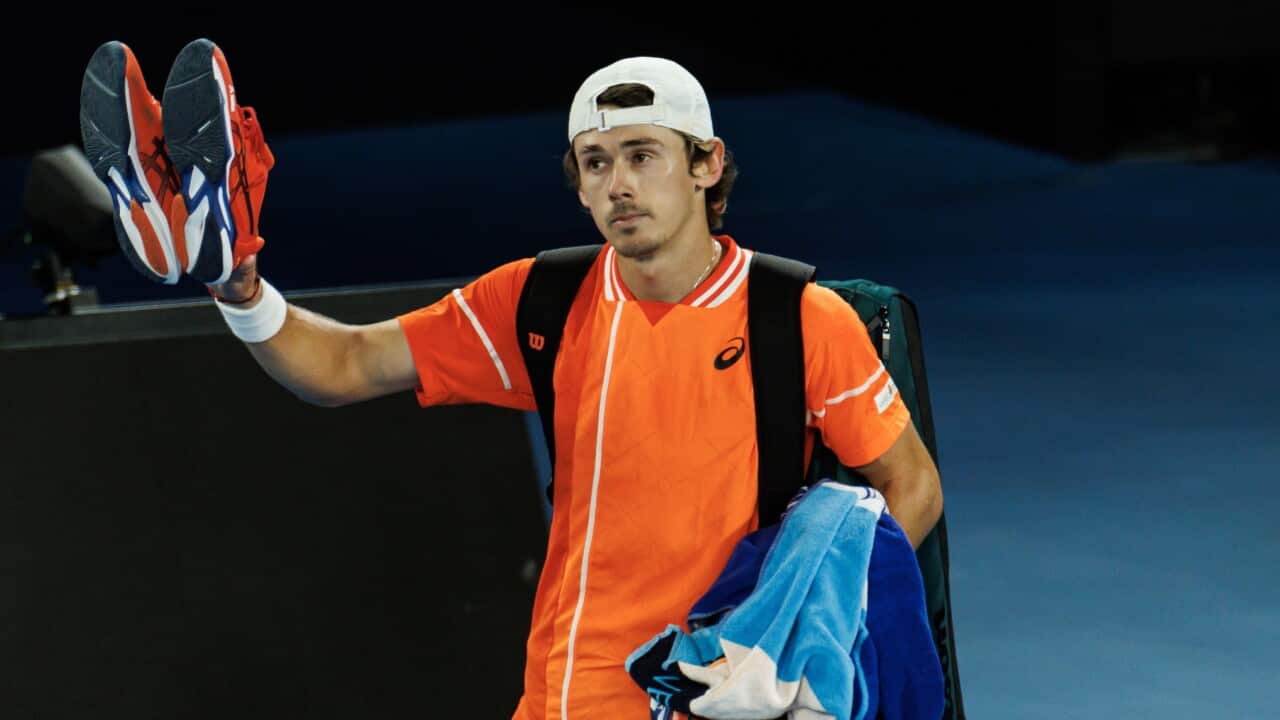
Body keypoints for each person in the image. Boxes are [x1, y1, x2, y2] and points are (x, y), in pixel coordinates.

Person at [81, 39, 944, 719]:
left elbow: (910, 486)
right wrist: (238, 288)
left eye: (643, 155)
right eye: (596, 163)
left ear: (707, 164)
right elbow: (341, 367)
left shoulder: (799, 316)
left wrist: (795, 624)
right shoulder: (541, 299)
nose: (619, 184)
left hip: (718, 698)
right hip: (566, 698)